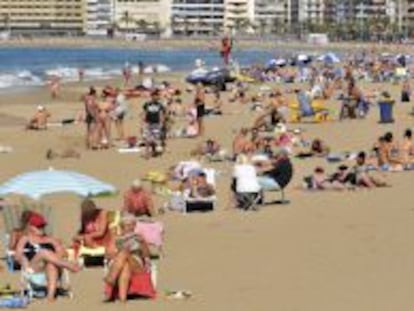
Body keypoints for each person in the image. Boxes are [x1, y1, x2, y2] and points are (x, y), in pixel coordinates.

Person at [15, 212, 81, 301]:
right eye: (38, 226)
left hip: (52, 270)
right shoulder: (25, 239)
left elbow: (63, 254)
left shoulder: (51, 240)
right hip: (34, 270)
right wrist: (24, 260)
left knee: (51, 265)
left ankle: (50, 297)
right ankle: (69, 265)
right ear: (30, 227)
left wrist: (58, 249)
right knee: (43, 252)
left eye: (43, 226)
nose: (41, 228)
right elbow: (17, 256)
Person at [104, 214, 151, 302]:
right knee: (125, 266)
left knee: (125, 252)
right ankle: (123, 300)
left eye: (132, 225)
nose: (130, 227)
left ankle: (111, 278)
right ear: (122, 227)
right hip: (117, 262)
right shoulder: (116, 238)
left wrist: (143, 244)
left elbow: (147, 255)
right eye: (127, 225)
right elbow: (107, 255)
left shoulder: (138, 237)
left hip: (136, 262)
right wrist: (115, 249)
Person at [142, 89, 166, 158]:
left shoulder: (160, 105)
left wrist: (161, 123)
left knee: (155, 139)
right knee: (147, 138)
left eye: (157, 96)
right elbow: (144, 113)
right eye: (154, 96)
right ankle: (147, 153)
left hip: (156, 123)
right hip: (149, 123)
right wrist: (142, 123)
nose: (155, 97)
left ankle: (154, 151)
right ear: (151, 96)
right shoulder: (147, 104)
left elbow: (161, 114)